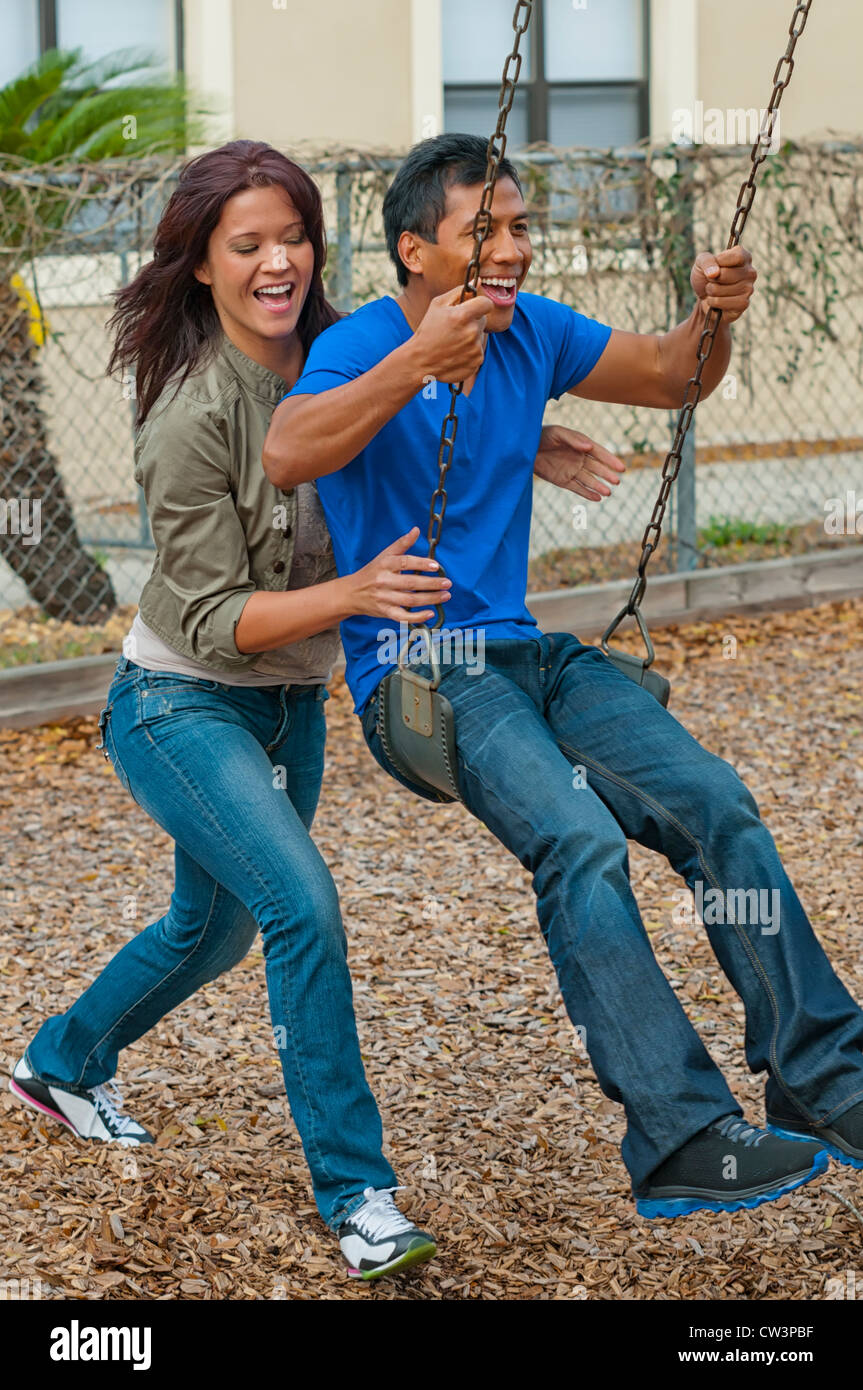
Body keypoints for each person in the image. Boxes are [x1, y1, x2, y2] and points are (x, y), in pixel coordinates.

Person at [7, 140, 623, 1279]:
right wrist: (349, 595)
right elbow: (202, 622)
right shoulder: (190, 417)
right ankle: (358, 1193)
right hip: (178, 704)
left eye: (291, 236)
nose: (277, 261)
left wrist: (524, 441)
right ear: (201, 265)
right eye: (246, 245)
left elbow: (384, 440)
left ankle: (60, 1061)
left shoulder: (350, 357)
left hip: (289, 711)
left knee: (214, 925)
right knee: (299, 905)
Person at [262, 134, 863, 1222]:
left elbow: (673, 373)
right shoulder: (357, 344)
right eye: (480, 231)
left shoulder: (529, 332)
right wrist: (412, 365)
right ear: (413, 250)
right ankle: (680, 1133)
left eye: (521, 226)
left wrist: (713, 313)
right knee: (577, 839)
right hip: (417, 668)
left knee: (714, 804)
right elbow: (288, 452)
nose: (512, 249)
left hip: (526, 651)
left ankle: (824, 1079)